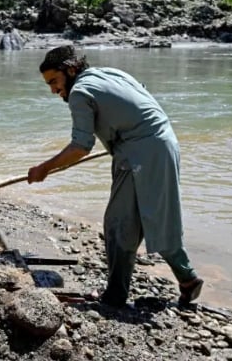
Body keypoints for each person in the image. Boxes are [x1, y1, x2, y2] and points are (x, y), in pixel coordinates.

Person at [27, 45, 203, 307]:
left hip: (140, 153)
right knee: (156, 215)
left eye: (54, 81)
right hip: (164, 142)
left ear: (72, 70)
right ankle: (187, 279)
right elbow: (137, 99)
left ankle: (116, 296)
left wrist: (44, 168)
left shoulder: (79, 93)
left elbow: (80, 147)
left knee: (119, 224)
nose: (53, 90)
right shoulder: (110, 73)